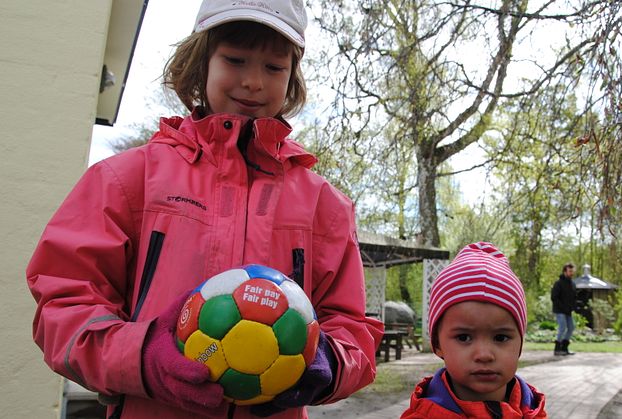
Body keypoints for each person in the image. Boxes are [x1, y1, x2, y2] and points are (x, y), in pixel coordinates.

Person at [25, 1, 383, 418]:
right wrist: (142, 356)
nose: (253, 82)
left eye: (274, 67)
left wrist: (327, 363)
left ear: (293, 76)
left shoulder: (326, 206)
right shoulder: (126, 180)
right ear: (202, 60)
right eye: (235, 59)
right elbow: (62, 309)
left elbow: (353, 329)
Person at [401, 242, 547, 419]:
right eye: (464, 337)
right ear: (438, 344)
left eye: (500, 337)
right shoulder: (423, 415)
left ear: (520, 344)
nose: (484, 355)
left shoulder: (533, 411)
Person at [551, 263, 577, 356]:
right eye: (570, 271)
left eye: (572, 271)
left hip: (568, 311)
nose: (571, 273)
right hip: (559, 310)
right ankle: (557, 348)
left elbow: (574, 297)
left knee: (571, 327)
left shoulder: (572, 284)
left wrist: (573, 307)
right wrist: (562, 307)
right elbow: (554, 297)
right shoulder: (558, 283)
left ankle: (564, 348)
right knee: (562, 327)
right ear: (565, 271)